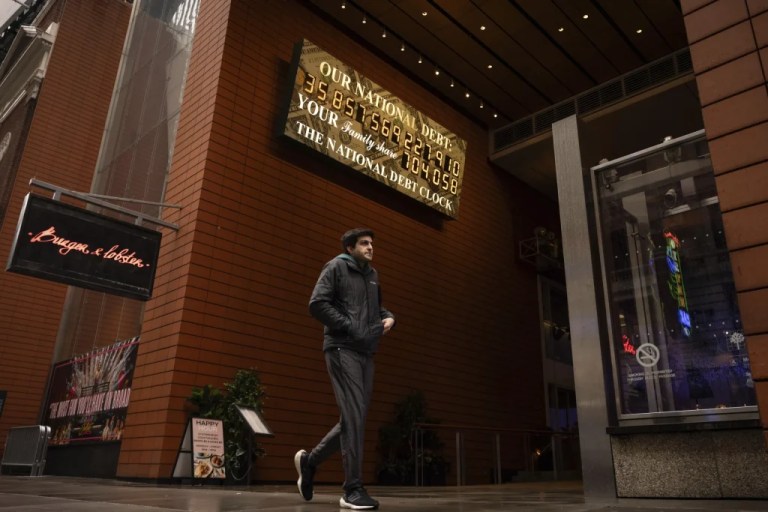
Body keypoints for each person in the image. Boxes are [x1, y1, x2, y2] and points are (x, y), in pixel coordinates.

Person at [295, 228, 395, 510]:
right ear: (350, 248)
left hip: (366, 352)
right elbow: (317, 304)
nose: (370, 247)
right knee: (354, 416)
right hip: (341, 348)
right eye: (364, 243)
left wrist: (389, 319)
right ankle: (352, 489)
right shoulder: (336, 266)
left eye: (372, 243)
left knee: (355, 417)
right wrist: (349, 326)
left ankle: (310, 461)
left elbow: (377, 309)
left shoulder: (372, 276)